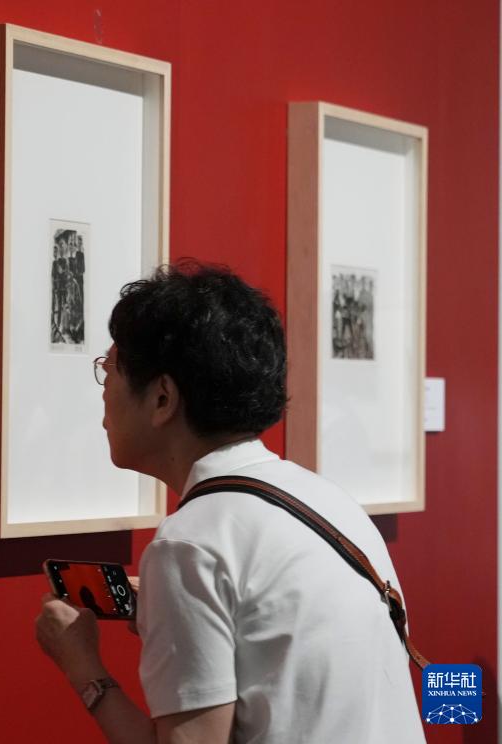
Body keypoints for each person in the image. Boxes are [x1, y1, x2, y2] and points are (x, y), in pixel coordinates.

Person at [35, 261, 424, 743]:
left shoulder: (189, 545)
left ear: (162, 398)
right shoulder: (328, 500)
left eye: (109, 370)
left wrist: (83, 668)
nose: (104, 393)